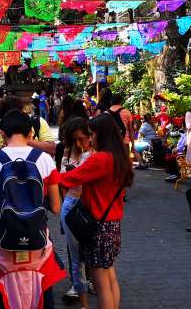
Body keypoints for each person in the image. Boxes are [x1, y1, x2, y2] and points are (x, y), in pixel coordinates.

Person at [0, 109, 64, 309]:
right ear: (31, 133)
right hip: (37, 244)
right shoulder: (45, 160)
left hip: (3, 244)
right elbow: (56, 207)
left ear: (2, 134)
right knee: (42, 294)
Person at [58, 113, 134, 309]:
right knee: (110, 278)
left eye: (92, 134)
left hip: (97, 227)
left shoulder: (99, 159)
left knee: (101, 286)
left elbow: (67, 179)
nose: (90, 139)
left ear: (102, 134)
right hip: (112, 224)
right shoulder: (120, 157)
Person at [59, 117, 94, 306]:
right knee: (74, 255)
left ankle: (91, 281)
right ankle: (82, 299)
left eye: (82, 139)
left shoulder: (95, 153)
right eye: (75, 140)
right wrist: (66, 203)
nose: (79, 143)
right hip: (71, 203)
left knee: (91, 250)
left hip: (90, 205)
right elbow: (62, 179)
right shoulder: (68, 151)